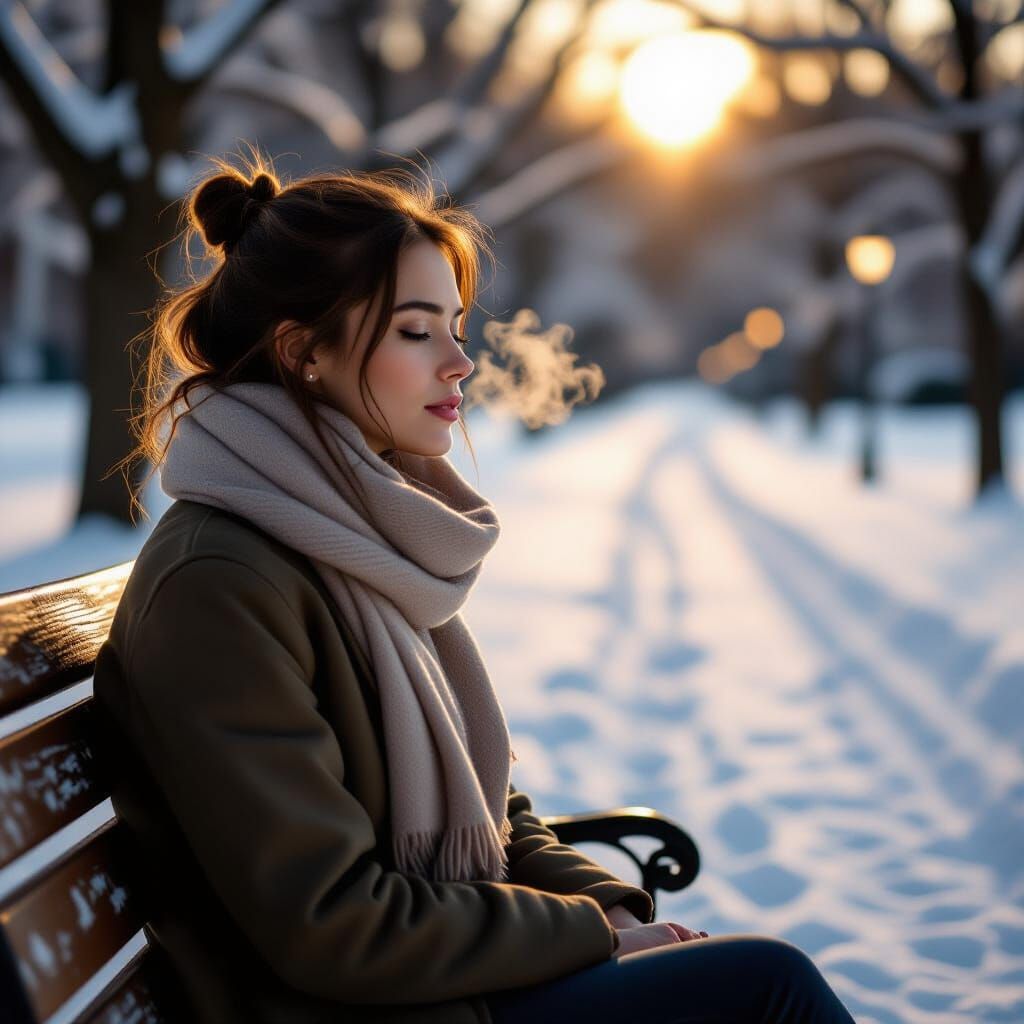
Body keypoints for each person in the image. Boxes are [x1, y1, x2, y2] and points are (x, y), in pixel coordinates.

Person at [92, 152, 856, 1024]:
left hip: (452, 987)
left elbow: (480, 797)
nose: (460, 362)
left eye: (456, 327)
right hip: (383, 1008)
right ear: (304, 352)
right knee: (770, 989)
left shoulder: (342, 540)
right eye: (417, 332)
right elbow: (335, 925)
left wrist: (596, 904)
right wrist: (586, 936)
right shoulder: (223, 585)